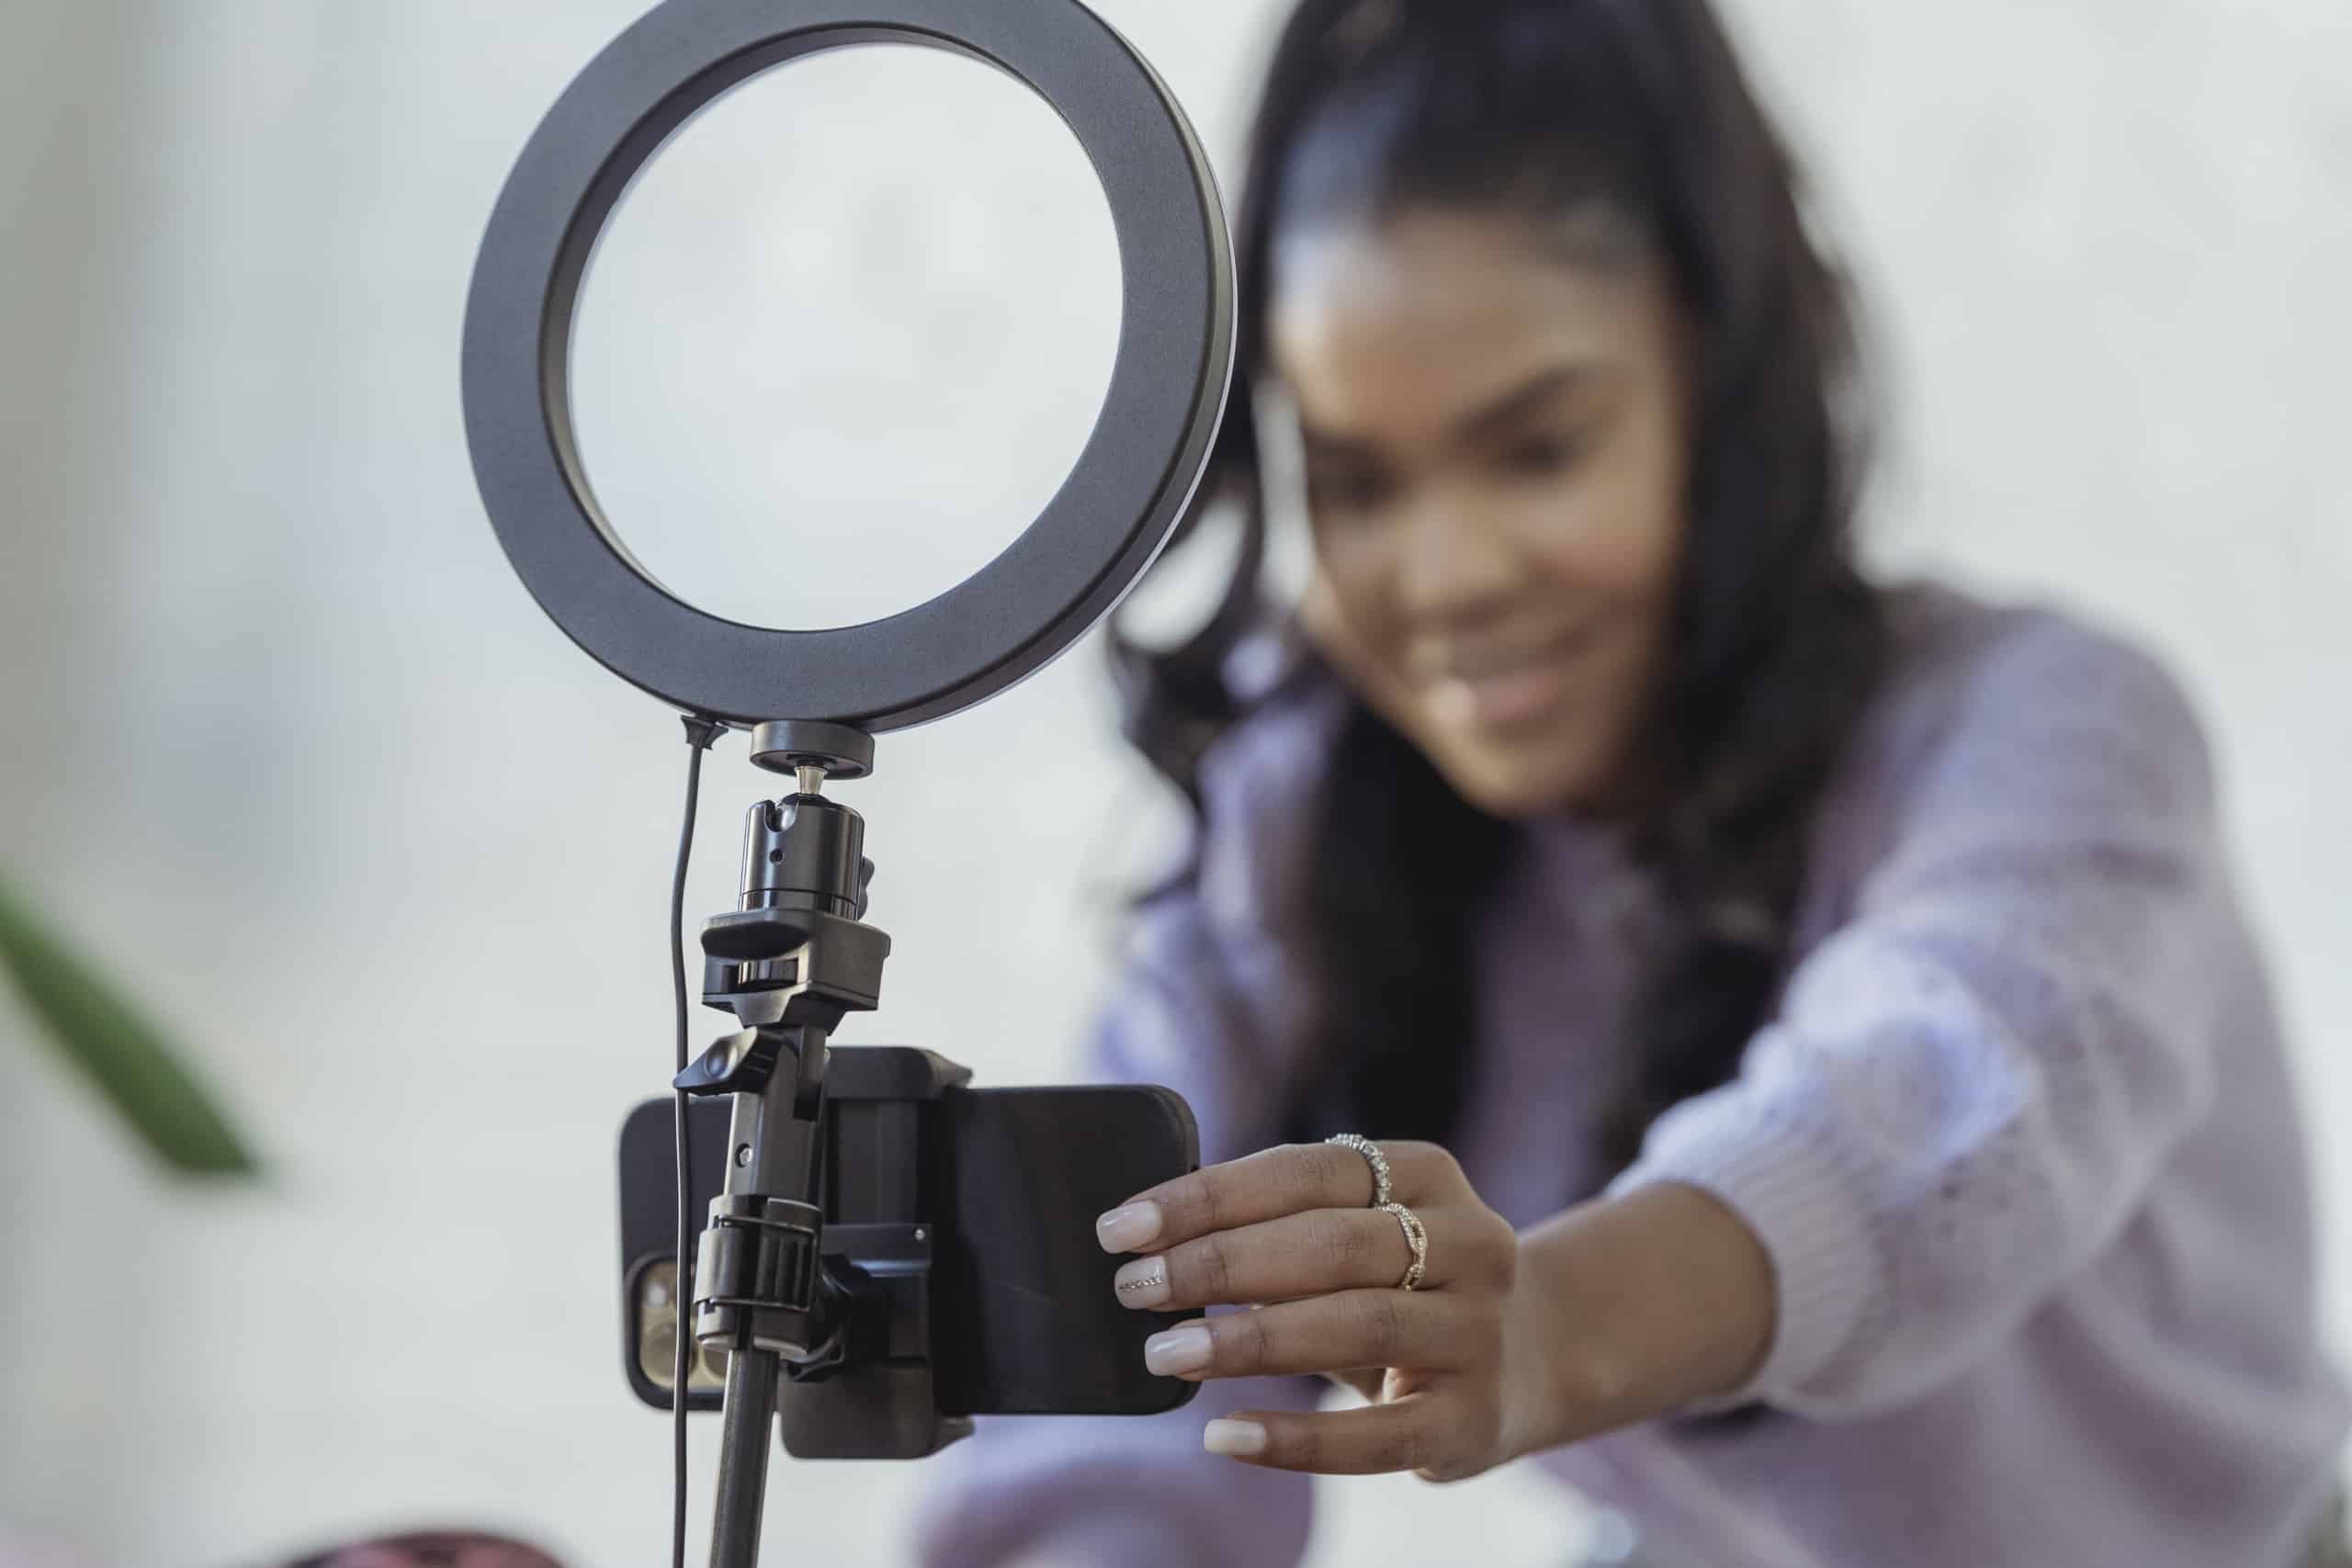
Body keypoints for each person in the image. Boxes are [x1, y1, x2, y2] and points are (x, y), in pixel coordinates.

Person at [912, 1, 2349, 1563]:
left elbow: (1934, 1109)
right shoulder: (1297, 824)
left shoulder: (2051, 728)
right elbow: (1109, 1401)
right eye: (1359, 485)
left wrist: (1547, 1327)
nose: (1447, 575)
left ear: (1717, 394)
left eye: (1540, 450)